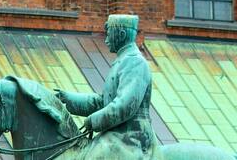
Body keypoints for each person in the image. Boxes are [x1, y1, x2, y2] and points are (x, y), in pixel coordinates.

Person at [56, 14, 160, 159]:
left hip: (132, 136)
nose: (106, 40)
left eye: (109, 35)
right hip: (118, 133)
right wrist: (68, 99)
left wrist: (94, 120)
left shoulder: (135, 62)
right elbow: (103, 102)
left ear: (121, 34)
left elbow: (124, 106)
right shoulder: (122, 61)